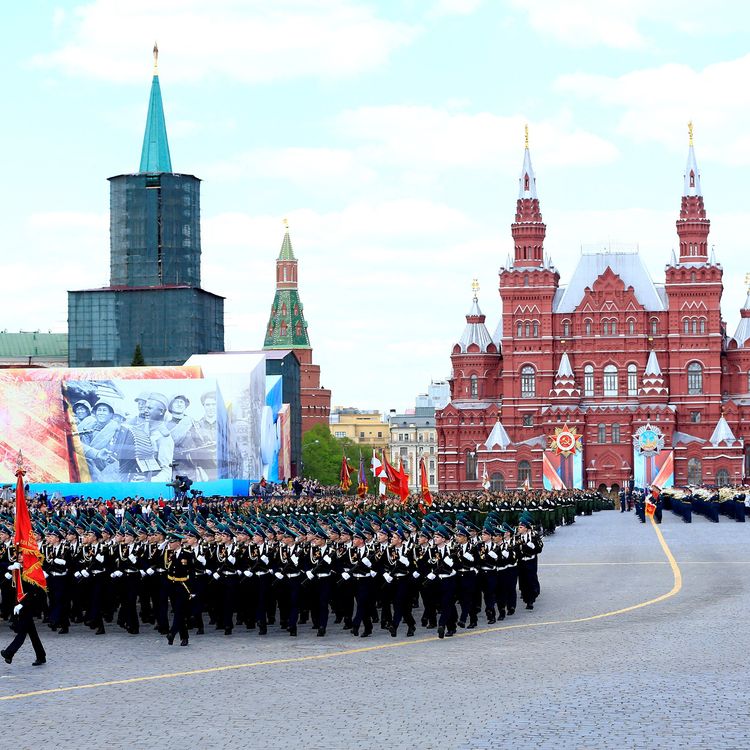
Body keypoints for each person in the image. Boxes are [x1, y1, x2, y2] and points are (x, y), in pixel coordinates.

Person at [1, 571, 47, 667]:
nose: (20, 557)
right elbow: (12, 588)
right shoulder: (16, 569)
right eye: (19, 556)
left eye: (22, 556)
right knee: (32, 633)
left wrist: (22, 604)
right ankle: (41, 655)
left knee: (22, 631)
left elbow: (34, 590)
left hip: (28, 604)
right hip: (20, 604)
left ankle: (9, 653)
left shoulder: (30, 569)